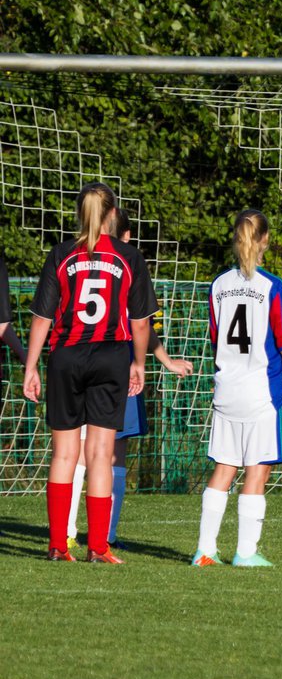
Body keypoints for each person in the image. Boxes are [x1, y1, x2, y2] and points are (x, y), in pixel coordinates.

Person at [24, 182, 159, 563]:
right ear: (113, 214)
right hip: (111, 356)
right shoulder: (129, 257)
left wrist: (31, 367)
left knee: (64, 453)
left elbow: (42, 318)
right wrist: (139, 363)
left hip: (66, 355)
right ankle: (98, 548)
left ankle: (57, 545)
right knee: (100, 453)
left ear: (80, 213)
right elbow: (141, 323)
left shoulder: (61, 254)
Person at [192, 209, 282, 567]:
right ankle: (246, 552)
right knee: (257, 469)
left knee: (224, 468)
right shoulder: (273, 287)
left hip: (226, 390)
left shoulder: (218, 285)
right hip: (261, 392)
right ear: (265, 241)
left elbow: (218, 339)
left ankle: (204, 550)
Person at [65, 209, 194, 551]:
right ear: (124, 236)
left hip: (76, 360)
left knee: (76, 450)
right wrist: (158, 361)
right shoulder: (128, 264)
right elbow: (141, 324)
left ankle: (65, 531)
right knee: (113, 453)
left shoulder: (73, 258)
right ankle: (104, 535)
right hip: (118, 364)